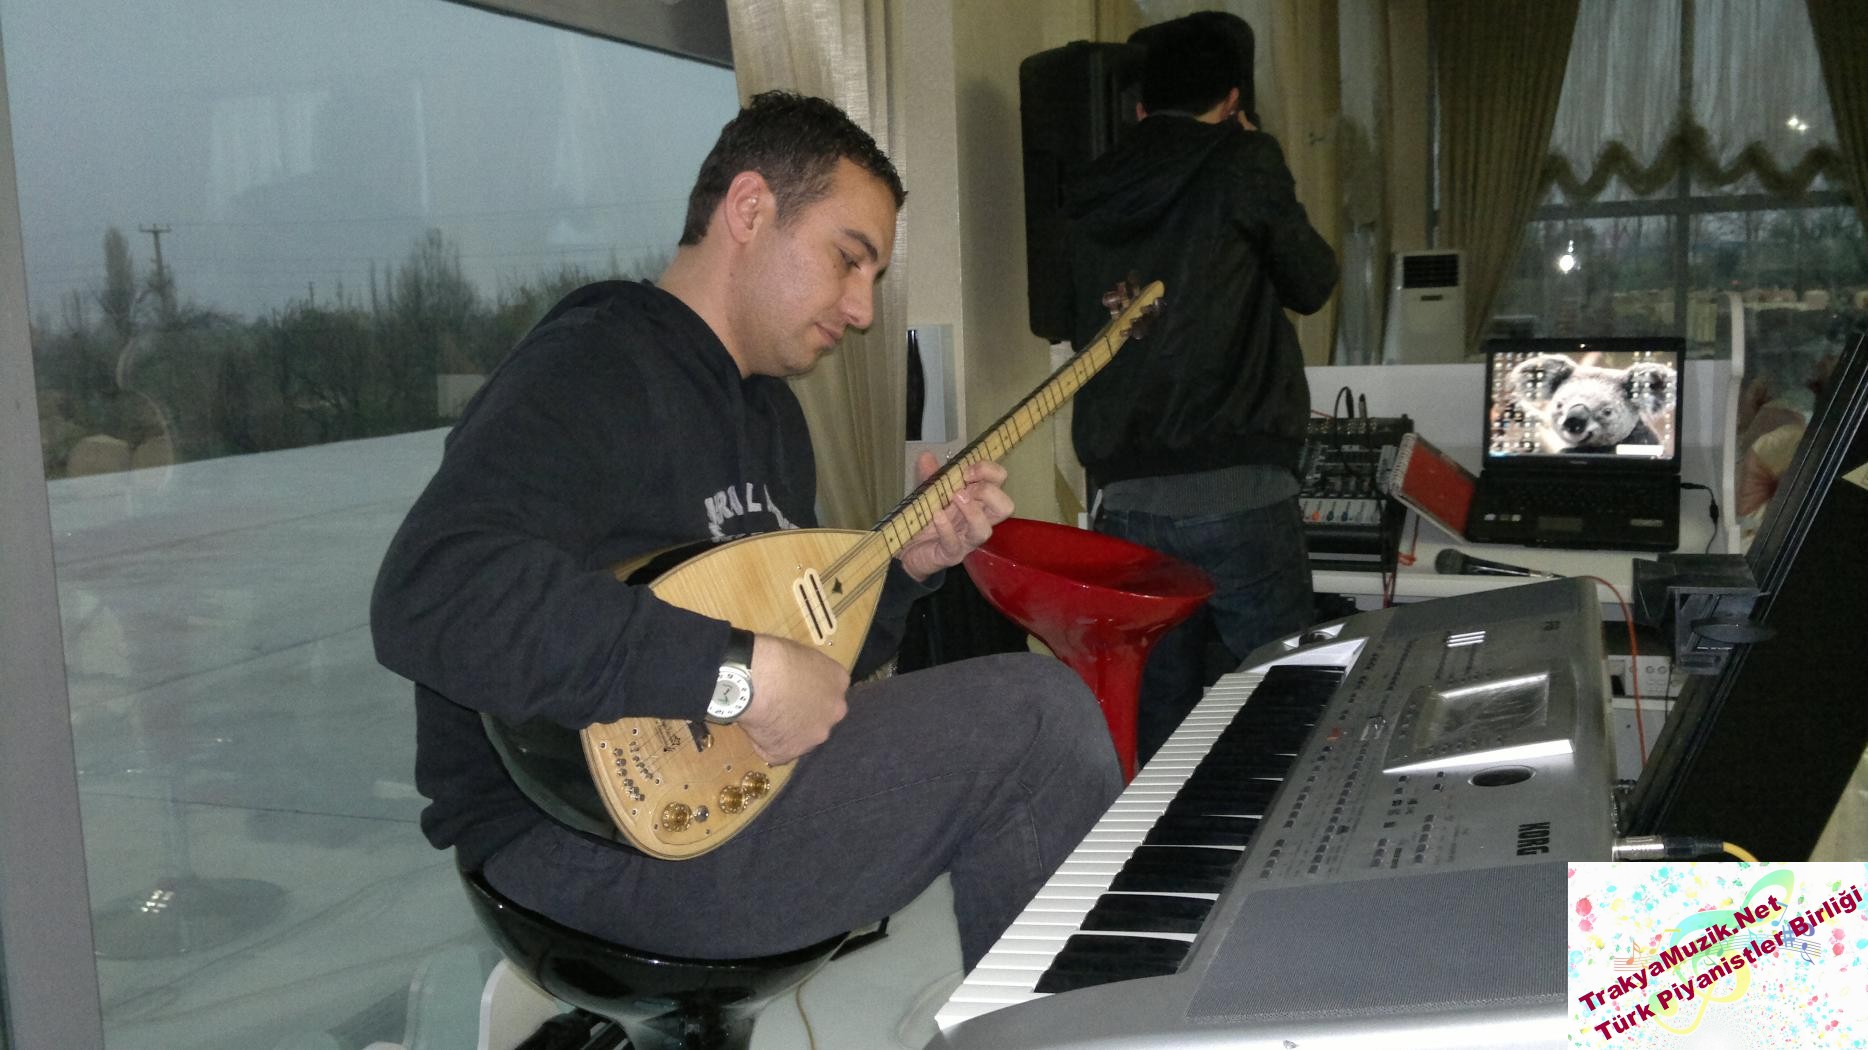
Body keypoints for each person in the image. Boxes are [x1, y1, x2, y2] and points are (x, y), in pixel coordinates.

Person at [370, 91, 1123, 973]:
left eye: (872, 278)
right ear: (750, 208)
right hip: (572, 830)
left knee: (1028, 722)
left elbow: (804, 660)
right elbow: (432, 594)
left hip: (728, 783)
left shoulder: (773, 418)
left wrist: (905, 569)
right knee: (1038, 724)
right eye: (848, 259)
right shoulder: (595, 363)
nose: (861, 308)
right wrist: (734, 673)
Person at [1062, 13, 1339, 766]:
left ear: (1140, 106)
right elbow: (1312, 282)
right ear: (1232, 97)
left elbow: (1069, 315)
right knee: (1284, 710)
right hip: (1239, 482)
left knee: (1159, 720)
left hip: (1125, 496)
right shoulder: (1243, 160)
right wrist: (1252, 150)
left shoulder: (1091, 185)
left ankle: (1163, 838)